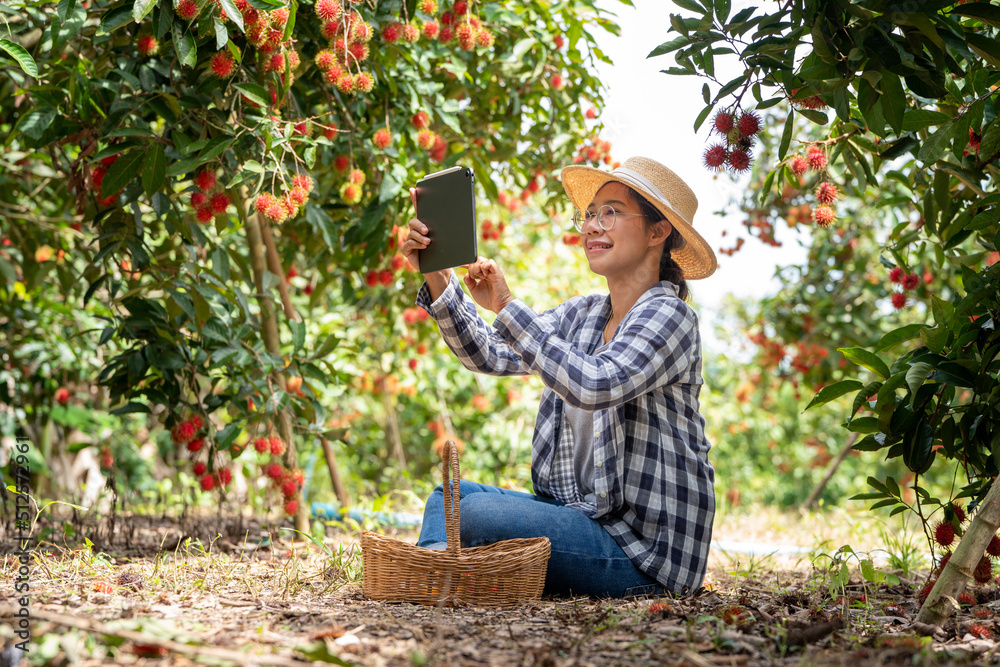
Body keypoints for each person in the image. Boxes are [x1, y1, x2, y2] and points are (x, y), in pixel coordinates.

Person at [401, 156, 718, 598]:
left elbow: (595, 383)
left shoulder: (671, 316)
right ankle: (435, 574)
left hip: (641, 556)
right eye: (589, 214)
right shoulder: (584, 313)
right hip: (582, 517)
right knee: (448, 497)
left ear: (657, 231)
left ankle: (444, 571)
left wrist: (509, 307)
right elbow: (490, 355)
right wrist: (437, 272)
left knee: (476, 516)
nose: (591, 226)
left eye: (610, 212)